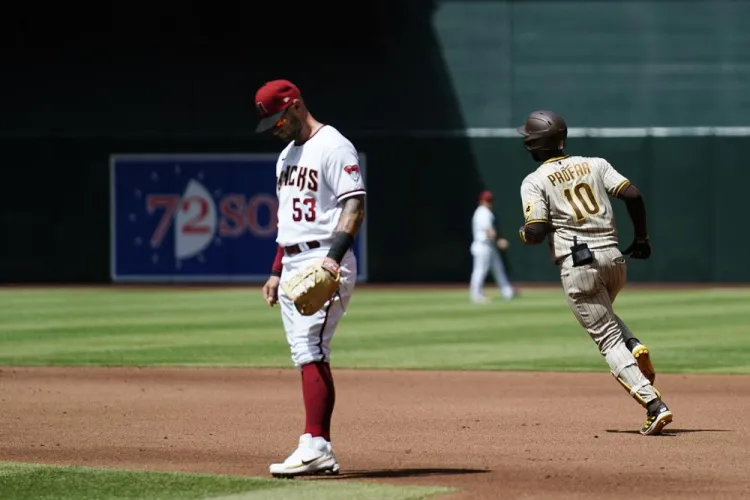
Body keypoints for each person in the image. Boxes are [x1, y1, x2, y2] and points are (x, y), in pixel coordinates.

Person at [516, 110, 672, 436]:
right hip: (614, 258)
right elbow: (632, 194)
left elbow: (537, 229)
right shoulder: (596, 163)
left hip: (578, 265)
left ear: (533, 145)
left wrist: (523, 234)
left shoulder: (534, 180)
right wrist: (641, 238)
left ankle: (653, 404)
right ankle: (634, 344)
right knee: (607, 317)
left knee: (606, 339)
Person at [255, 79, 366, 476]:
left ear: (296, 105)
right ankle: (314, 444)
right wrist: (274, 269)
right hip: (292, 260)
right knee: (304, 352)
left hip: (324, 256)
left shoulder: (334, 145)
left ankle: (317, 445)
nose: (276, 128)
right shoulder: (285, 155)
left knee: (311, 348)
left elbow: (354, 204)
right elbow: (288, 221)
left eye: (279, 119)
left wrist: (333, 260)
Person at [469, 190, 516, 303]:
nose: (489, 202)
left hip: (489, 245)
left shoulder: (485, 212)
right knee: (480, 270)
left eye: (490, 200)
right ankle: (476, 295)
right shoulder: (483, 212)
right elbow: (488, 231)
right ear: (481, 201)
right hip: (482, 245)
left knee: (498, 268)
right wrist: (499, 241)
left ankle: (507, 291)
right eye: (487, 200)